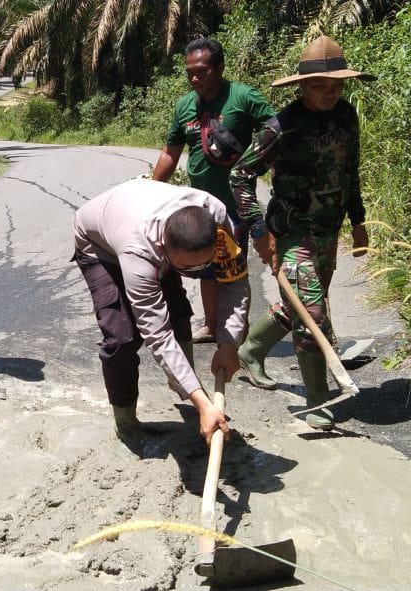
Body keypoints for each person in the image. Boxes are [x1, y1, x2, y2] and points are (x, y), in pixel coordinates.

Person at [230, 36, 374, 430]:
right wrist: (259, 231)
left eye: (337, 86)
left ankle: (252, 350)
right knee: (312, 312)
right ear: (301, 86)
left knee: (306, 304)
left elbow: (351, 170)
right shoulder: (282, 127)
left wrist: (358, 222)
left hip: (329, 230)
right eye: (320, 87)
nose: (330, 94)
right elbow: (241, 175)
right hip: (290, 233)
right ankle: (318, 400)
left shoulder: (346, 116)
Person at [73, 178, 247, 455]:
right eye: (188, 268)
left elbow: (234, 282)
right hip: (99, 243)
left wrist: (229, 343)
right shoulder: (139, 254)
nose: (199, 271)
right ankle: (126, 421)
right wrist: (205, 404)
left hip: (140, 214)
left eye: (205, 262)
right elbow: (157, 333)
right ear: (163, 250)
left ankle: (188, 391)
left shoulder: (215, 217)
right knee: (122, 338)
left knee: (178, 310)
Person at [151, 37, 276, 345]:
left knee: (233, 266)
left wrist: (262, 165)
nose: (195, 78)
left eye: (202, 71)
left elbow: (275, 130)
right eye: (189, 72)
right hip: (199, 204)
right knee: (207, 266)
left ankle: (238, 332)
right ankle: (210, 325)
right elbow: (171, 152)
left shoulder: (243, 97)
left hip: (236, 204)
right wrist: (150, 190)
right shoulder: (184, 106)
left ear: (219, 68)